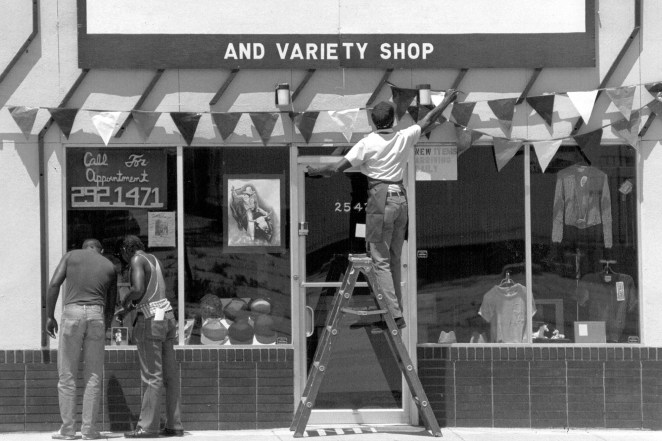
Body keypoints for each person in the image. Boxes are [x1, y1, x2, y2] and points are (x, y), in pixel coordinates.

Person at [307, 90, 458, 333]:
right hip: (401, 200)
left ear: (373, 122)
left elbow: (336, 168)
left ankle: (394, 315)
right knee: (395, 257)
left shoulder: (367, 143)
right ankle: (396, 312)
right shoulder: (404, 136)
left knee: (380, 260)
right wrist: (448, 101)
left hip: (381, 200)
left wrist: (314, 170)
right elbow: (428, 120)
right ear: (393, 120)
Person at [46, 239, 117, 441]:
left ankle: (68, 430)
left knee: (66, 375)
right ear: (100, 250)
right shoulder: (109, 266)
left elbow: (54, 284)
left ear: (85, 247)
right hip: (96, 315)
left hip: (72, 314)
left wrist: (49, 316)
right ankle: (90, 431)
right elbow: (111, 305)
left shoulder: (71, 256)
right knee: (93, 376)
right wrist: (107, 324)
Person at [119, 235, 184, 438]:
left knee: (152, 375)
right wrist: (129, 309)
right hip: (167, 316)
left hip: (150, 320)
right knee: (170, 375)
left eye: (122, 253)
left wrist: (124, 301)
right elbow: (152, 294)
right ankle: (174, 424)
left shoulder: (136, 260)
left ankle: (147, 427)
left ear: (126, 249)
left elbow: (138, 290)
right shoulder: (155, 260)